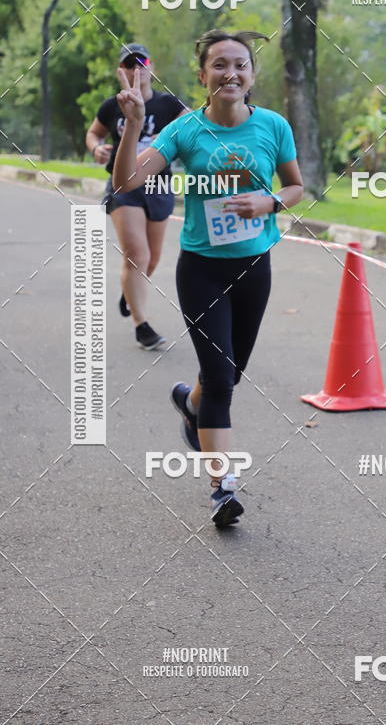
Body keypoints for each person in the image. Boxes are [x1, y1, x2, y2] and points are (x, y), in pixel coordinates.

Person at [112, 30, 304, 526]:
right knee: (221, 378)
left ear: (252, 76)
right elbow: (127, 183)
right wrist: (133, 125)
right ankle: (223, 488)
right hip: (200, 269)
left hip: (253, 267)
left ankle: (188, 403)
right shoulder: (184, 129)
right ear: (203, 76)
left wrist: (271, 201)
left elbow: (297, 186)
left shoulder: (273, 126)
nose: (231, 73)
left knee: (229, 373)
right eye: (219, 65)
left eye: (240, 65)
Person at [86, 43, 189, 350]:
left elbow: (195, 125)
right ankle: (141, 326)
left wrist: (172, 136)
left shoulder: (169, 104)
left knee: (151, 258)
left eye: (141, 63)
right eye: (129, 64)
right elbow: (94, 133)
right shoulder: (112, 105)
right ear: (122, 71)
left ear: (151, 68)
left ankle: (130, 292)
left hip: (158, 186)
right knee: (138, 255)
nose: (136, 69)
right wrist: (96, 148)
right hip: (125, 186)